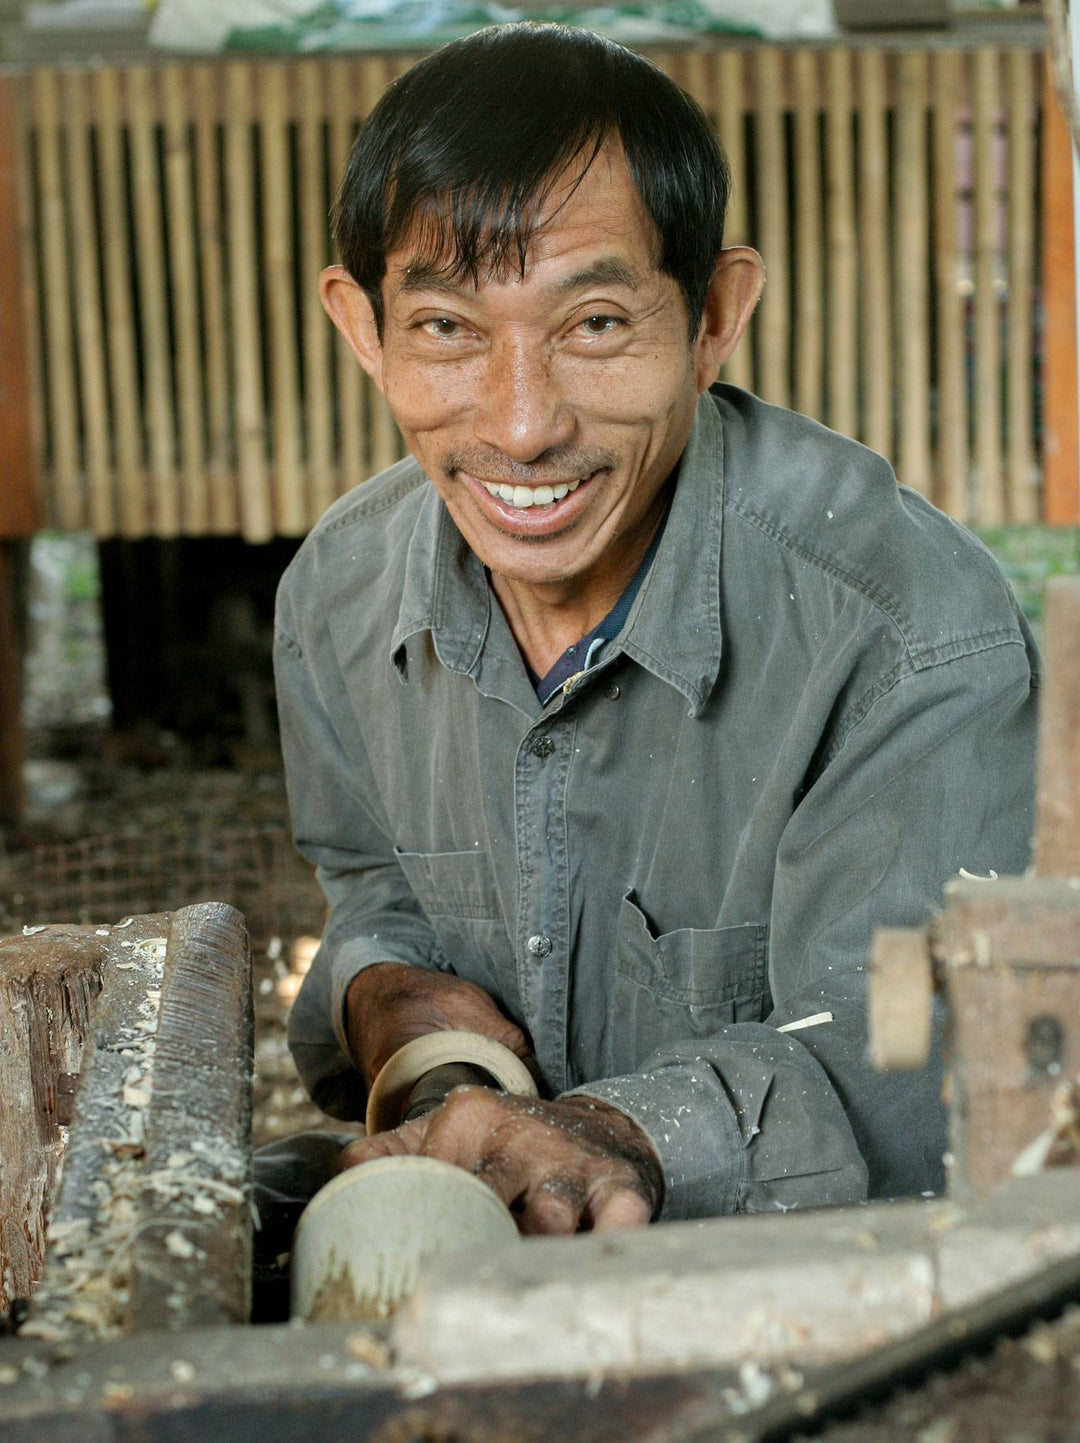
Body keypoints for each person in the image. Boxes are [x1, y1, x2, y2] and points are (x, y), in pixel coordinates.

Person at [265, 22, 1038, 1240]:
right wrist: (403, 1016)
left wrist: (615, 1138)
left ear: (715, 314)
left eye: (598, 325)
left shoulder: (906, 632)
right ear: (364, 328)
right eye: (449, 330)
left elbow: (925, 1073)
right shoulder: (338, 601)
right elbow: (375, 891)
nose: (522, 428)